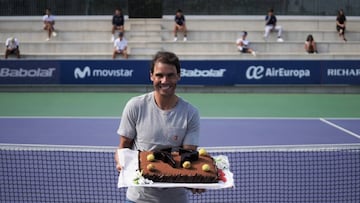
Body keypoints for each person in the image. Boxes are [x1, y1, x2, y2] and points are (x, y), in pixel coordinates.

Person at [114, 51, 204, 203]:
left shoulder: (190, 113)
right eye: (159, 75)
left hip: (175, 199)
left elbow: (187, 155)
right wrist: (121, 163)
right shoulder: (135, 106)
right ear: (151, 76)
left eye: (170, 75)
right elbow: (123, 146)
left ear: (178, 76)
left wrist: (195, 182)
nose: (164, 80)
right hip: (138, 198)